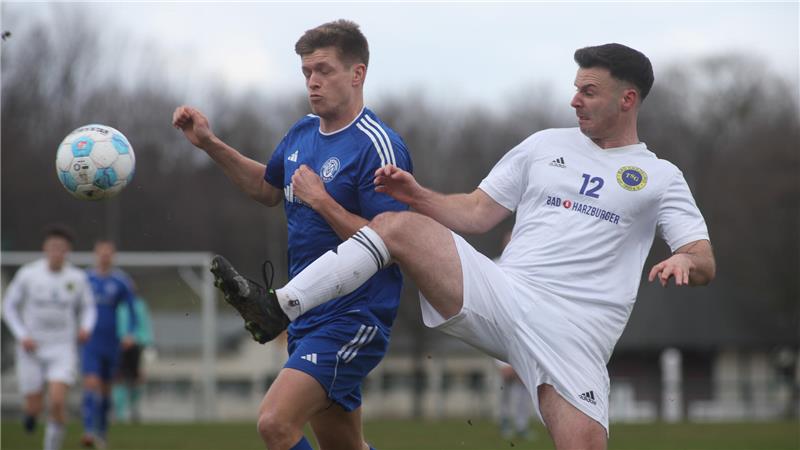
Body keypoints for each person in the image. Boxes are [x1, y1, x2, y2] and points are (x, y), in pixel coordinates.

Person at [238, 43, 716, 450]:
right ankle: (281, 305)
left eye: (588, 91)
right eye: (575, 88)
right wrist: (416, 195)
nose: (574, 100)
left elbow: (702, 257)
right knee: (397, 226)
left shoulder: (660, 177)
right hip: (504, 294)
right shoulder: (543, 145)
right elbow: (476, 212)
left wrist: (683, 259)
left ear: (627, 99)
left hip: (575, 336)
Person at [172, 20, 412, 450]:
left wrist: (322, 202)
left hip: (354, 316)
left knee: (275, 423)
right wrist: (209, 143)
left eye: (324, 70)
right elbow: (267, 188)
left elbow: (393, 244)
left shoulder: (378, 146)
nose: (313, 82)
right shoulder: (302, 133)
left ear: (357, 74)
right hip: (305, 315)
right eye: (306, 73)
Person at [2, 225, 97, 450]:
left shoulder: (77, 277)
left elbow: (89, 308)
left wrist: (85, 328)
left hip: (62, 348)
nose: (57, 252)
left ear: (68, 252)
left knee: (56, 401)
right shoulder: (28, 274)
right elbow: (8, 307)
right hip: (31, 349)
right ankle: (31, 414)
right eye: (53, 247)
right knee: (34, 406)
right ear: (45, 248)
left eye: (62, 248)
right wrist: (22, 335)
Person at [80, 239, 137, 449]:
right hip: (90, 341)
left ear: (113, 256)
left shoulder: (121, 281)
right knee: (91, 383)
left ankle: (101, 432)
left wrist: (130, 332)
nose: (104, 257)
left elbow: (132, 309)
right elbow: (74, 306)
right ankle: (87, 431)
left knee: (105, 391)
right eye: (101, 253)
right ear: (95, 255)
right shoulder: (84, 279)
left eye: (108, 253)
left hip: (111, 342)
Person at [112, 295, 154, 423]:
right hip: (119, 347)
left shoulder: (140, 306)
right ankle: (119, 414)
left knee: (137, 379)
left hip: (137, 346)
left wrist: (137, 339)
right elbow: (113, 326)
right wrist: (120, 339)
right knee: (118, 379)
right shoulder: (116, 306)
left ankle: (134, 410)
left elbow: (145, 327)